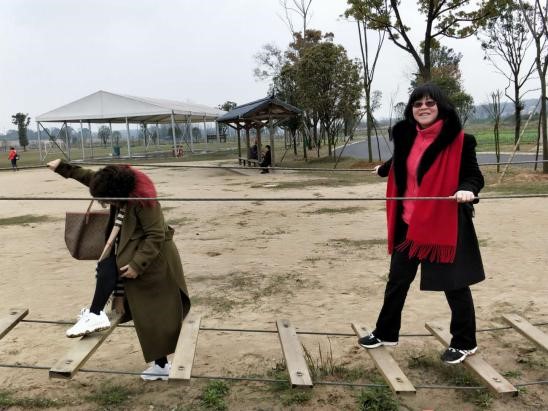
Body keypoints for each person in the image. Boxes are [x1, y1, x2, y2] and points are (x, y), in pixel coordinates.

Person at [359, 83, 485, 364]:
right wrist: (384, 168)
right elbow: (404, 160)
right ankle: (385, 332)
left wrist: (467, 189)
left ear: (441, 107)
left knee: (454, 285)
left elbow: (474, 176)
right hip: (408, 224)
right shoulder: (407, 136)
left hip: (443, 224)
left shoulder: (461, 141)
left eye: (430, 102)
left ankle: (465, 342)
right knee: (397, 281)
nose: (423, 108)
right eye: (418, 104)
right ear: (411, 109)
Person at [47, 158, 191, 380]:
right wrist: (62, 167)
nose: (107, 203)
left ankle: (95, 314)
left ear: (119, 193)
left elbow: (155, 235)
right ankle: (96, 314)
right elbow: (89, 177)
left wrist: (137, 265)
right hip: (131, 250)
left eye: (108, 200)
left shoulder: (144, 200)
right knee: (143, 310)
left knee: (153, 315)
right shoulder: (115, 181)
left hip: (155, 262)